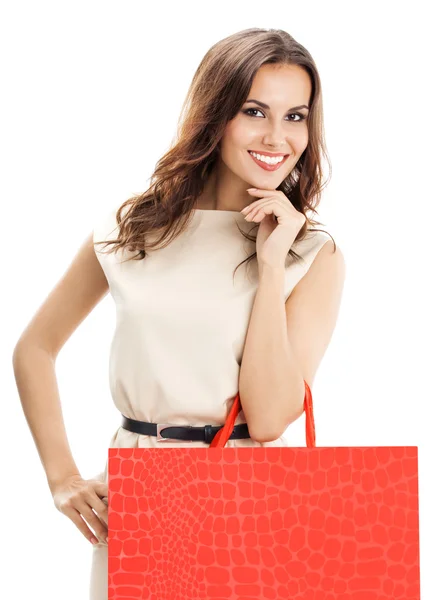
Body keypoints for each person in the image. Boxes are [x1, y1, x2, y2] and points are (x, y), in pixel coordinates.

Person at [12, 27, 345, 600]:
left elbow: (267, 420)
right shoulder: (132, 228)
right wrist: (62, 478)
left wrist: (269, 265)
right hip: (141, 493)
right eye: (254, 111)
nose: (277, 136)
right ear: (216, 115)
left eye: (296, 116)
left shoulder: (313, 253)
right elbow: (35, 348)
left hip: (255, 500)